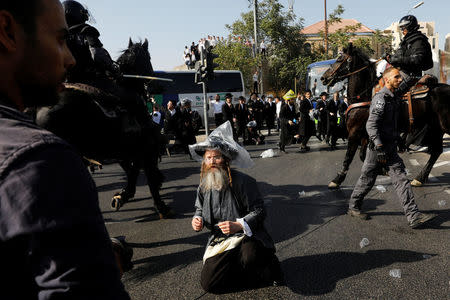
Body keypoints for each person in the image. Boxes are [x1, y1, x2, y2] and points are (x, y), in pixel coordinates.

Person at [0, 0, 130, 298]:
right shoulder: (42, 160)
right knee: (128, 103)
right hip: (94, 82)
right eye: (59, 40)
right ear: (6, 31)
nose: (68, 58)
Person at [189, 122, 282, 293]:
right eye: (208, 158)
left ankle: (269, 265)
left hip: (247, 236)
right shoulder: (203, 185)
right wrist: (198, 219)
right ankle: (243, 272)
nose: (212, 162)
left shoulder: (243, 182)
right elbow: (199, 209)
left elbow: (260, 210)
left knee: (250, 257)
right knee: (209, 284)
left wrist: (239, 224)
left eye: (216, 157)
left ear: (226, 158)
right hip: (221, 239)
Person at [348, 67, 436, 228]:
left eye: (399, 77)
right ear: (387, 79)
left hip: (390, 147)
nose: (399, 79)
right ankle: (353, 206)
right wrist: (379, 146)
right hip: (377, 149)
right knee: (367, 179)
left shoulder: (394, 98)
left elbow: (391, 125)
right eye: (396, 77)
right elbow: (372, 124)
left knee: (401, 179)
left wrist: (399, 140)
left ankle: (413, 216)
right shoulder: (381, 98)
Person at [62, 0, 119, 87]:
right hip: (88, 80)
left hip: (63, 81)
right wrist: (112, 69)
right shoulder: (87, 30)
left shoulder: (58, 35)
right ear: (76, 14)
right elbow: (97, 55)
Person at [386, 15, 433, 96]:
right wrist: (390, 58)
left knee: (390, 92)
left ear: (410, 27)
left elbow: (417, 59)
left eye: (403, 28)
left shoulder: (418, 40)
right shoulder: (407, 41)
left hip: (410, 75)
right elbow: (400, 57)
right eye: (401, 28)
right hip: (401, 72)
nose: (402, 31)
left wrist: (397, 60)